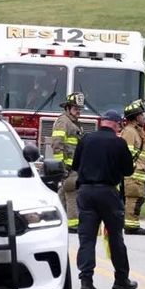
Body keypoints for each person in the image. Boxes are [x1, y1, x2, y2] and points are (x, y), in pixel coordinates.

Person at [71, 109, 137, 289]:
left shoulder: (86, 139)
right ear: (116, 124)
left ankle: (86, 280)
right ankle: (121, 279)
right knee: (115, 237)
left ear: (103, 122)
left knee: (87, 238)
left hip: (85, 192)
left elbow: (76, 165)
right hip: (108, 193)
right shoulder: (118, 142)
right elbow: (128, 171)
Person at [52, 92, 85, 233]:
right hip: (68, 166)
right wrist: (62, 167)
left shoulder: (73, 123)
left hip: (73, 165)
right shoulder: (63, 122)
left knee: (63, 191)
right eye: (75, 109)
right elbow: (57, 145)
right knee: (71, 191)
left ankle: (55, 219)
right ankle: (73, 224)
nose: (78, 112)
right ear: (67, 108)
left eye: (80, 109)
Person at [120, 99, 145, 236]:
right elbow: (127, 154)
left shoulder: (138, 131)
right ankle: (131, 226)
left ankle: (133, 224)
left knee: (138, 199)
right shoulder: (130, 132)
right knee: (133, 199)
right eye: (142, 115)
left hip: (139, 172)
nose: (144, 117)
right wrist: (130, 171)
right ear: (136, 118)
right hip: (133, 174)